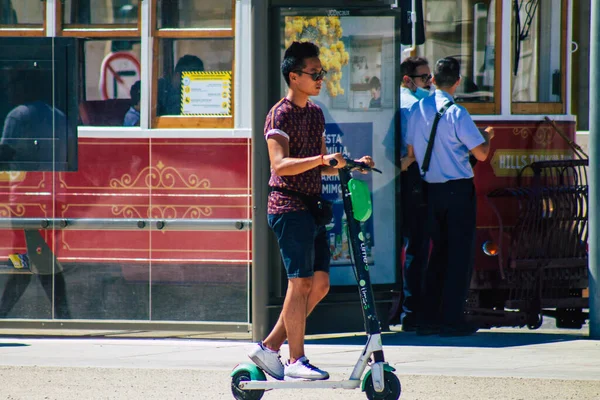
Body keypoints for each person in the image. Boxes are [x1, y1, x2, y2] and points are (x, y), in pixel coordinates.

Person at [248, 41, 374, 381]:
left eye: (322, 73)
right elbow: (281, 165)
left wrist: (352, 164)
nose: (320, 78)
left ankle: (269, 346)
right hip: (287, 206)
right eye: (314, 73)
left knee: (319, 286)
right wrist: (321, 159)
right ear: (294, 76)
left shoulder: (315, 113)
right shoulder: (279, 114)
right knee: (300, 282)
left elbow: (322, 167)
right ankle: (295, 360)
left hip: (313, 207)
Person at [405, 57, 494, 337]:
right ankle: (452, 319)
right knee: (459, 257)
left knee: (437, 255)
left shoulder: (418, 109)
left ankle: (428, 317)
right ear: (457, 82)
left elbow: (411, 151)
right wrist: (488, 137)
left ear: (433, 80)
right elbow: (480, 153)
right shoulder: (457, 113)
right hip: (458, 190)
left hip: (430, 190)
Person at [383, 57, 432, 332]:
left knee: (396, 246)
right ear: (407, 79)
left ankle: (392, 309)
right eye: (424, 78)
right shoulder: (414, 106)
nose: (428, 83)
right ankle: (411, 312)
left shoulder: (395, 102)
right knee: (416, 246)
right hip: (412, 177)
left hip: (394, 178)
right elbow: (418, 148)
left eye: (429, 77)